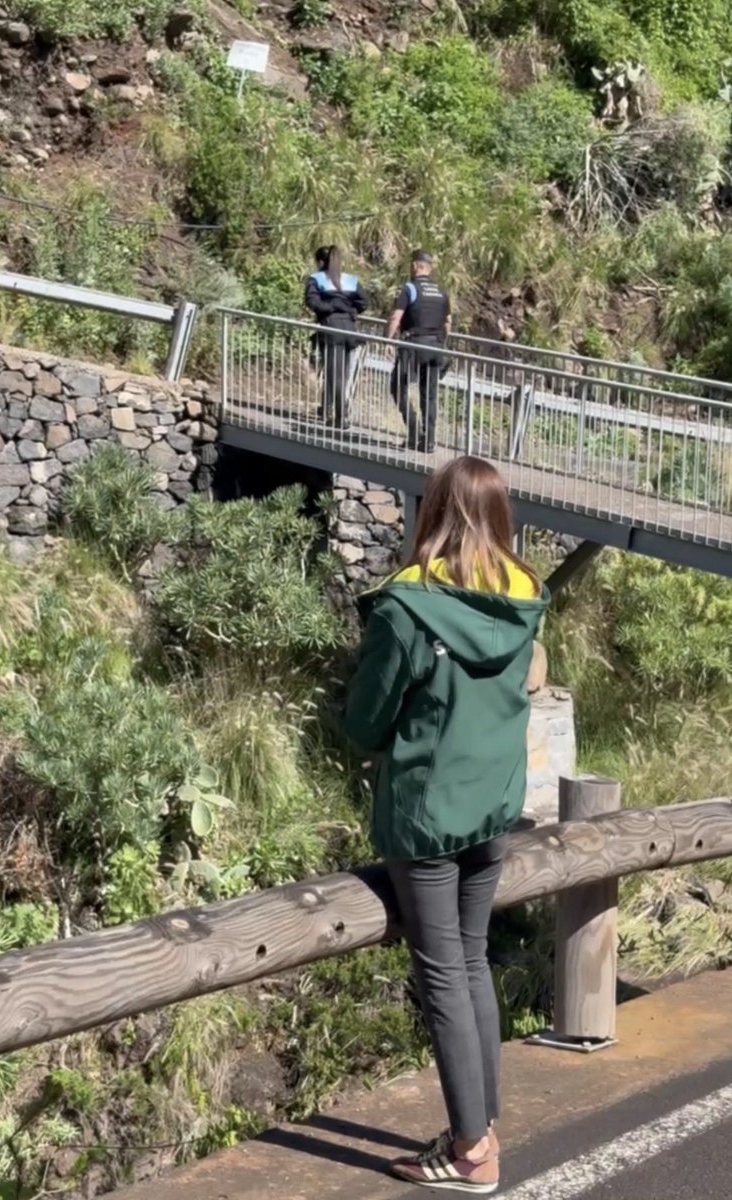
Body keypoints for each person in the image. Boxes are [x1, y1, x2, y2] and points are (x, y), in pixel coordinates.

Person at [343, 457, 549, 1195]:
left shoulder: (408, 606)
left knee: (442, 975)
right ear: (500, 517)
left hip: (428, 816)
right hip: (494, 810)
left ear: (433, 511)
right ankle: (481, 1128)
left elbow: (365, 723)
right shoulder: (524, 597)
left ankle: (471, 1153)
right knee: (470, 961)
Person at [385, 250, 451, 455]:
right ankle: (429, 441)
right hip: (435, 347)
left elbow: (396, 317)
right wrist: (441, 342)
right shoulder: (441, 292)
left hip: (413, 346)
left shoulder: (409, 288)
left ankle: (413, 430)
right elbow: (448, 322)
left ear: (415, 266)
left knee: (398, 386)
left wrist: (388, 340)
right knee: (429, 395)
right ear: (429, 269)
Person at [305, 246, 369, 429]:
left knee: (335, 375)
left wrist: (331, 307)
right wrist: (350, 310)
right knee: (344, 374)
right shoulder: (350, 279)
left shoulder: (317, 279)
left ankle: (341, 417)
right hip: (350, 328)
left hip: (331, 327)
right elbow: (365, 301)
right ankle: (328, 409)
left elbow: (312, 302)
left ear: (320, 262)